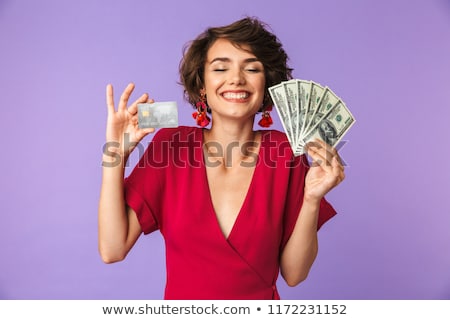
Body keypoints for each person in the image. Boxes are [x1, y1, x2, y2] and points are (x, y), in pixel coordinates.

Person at [98, 17, 345, 300]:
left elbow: (294, 274)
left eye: (251, 68)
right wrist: (115, 156)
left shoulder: (286, 154)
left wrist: (312, 199)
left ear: (267, 87)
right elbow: (112, 249)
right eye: (220, 68)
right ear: (202, 85)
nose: (236, 78)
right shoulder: (171, 146)